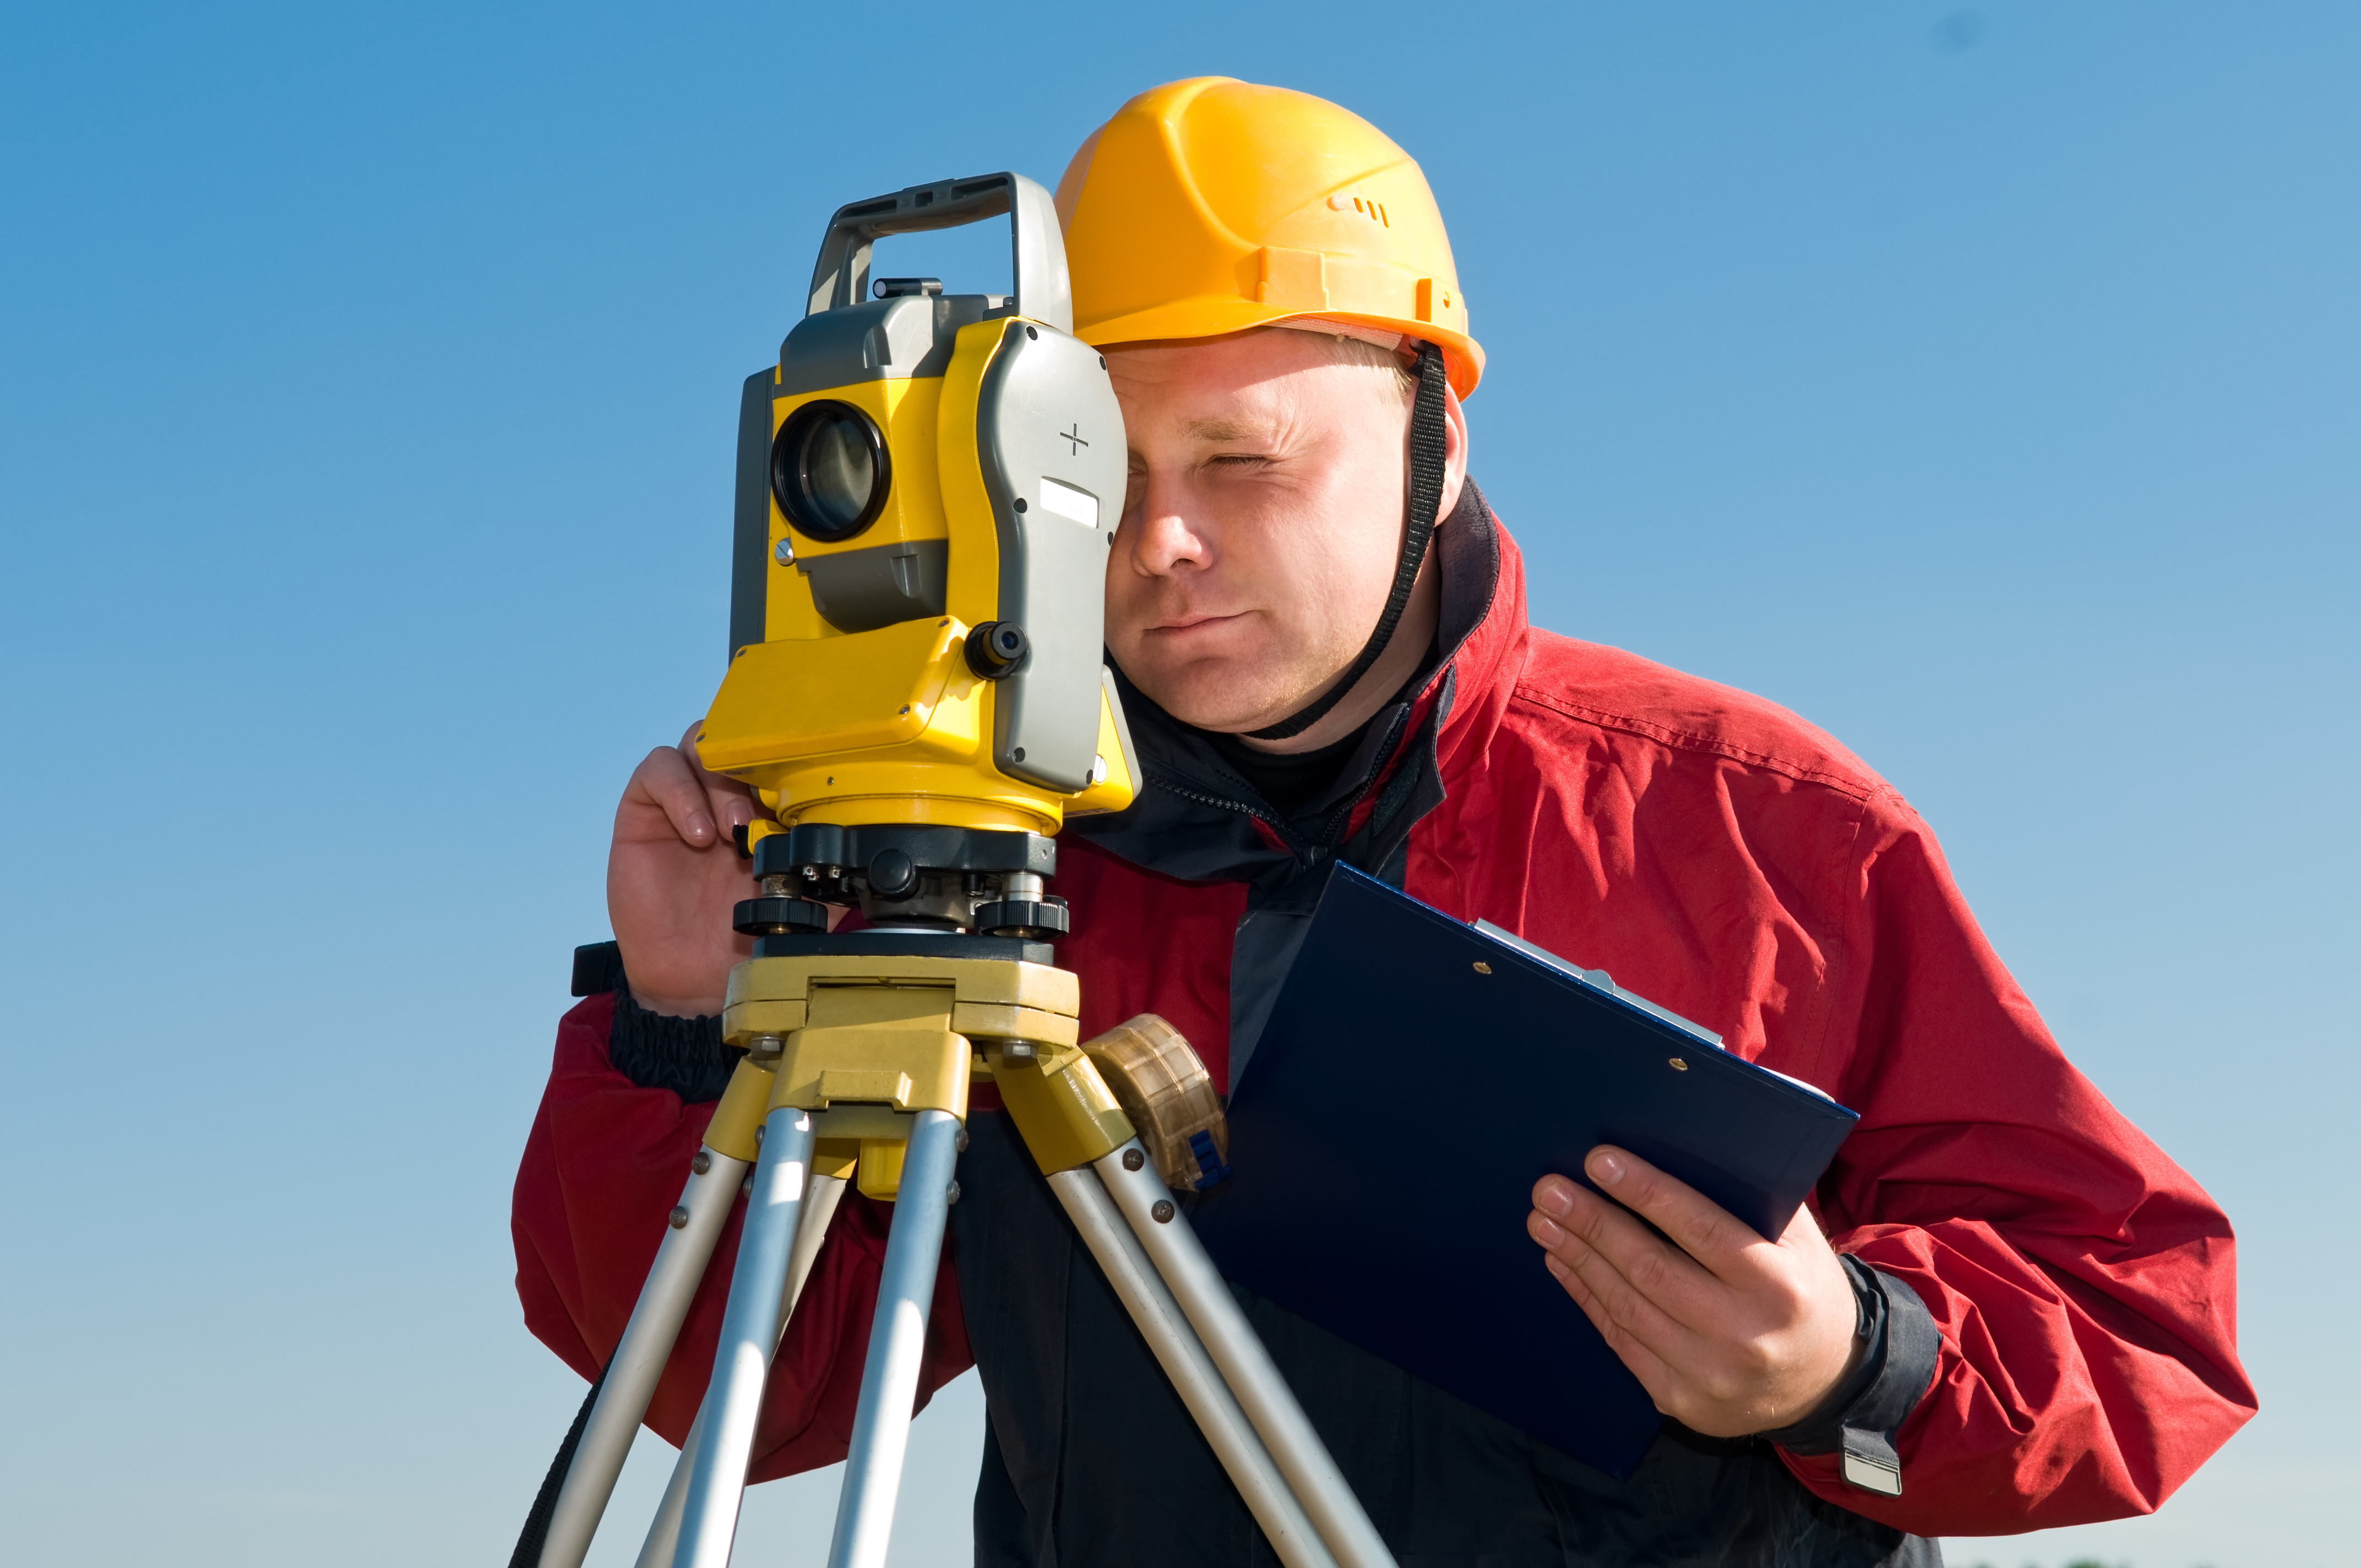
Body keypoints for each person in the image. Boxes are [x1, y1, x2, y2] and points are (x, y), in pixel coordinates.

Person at [513, 78, 2254, 1566]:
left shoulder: (1760, 830)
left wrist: (1848, 1364)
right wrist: (679, 1025)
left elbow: (2146, 1333)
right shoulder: (1003, 866)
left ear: (1436, 431)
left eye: (1246, 464)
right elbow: (750, 1382)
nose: (1160, 549)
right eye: (1101, 482)